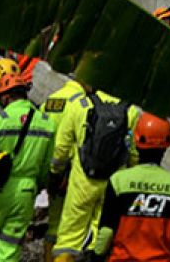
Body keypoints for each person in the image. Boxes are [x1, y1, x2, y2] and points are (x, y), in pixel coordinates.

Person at [0, 72, 55, 262]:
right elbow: (46, 165)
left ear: (5, 96)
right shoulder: (46, 122)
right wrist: (37, 186)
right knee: (9, 249)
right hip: (26, 192)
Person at [49, 87, 139, 262]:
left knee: (69, 238)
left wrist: (55, 172)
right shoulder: (131, 111)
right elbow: (134, 154)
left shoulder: (81, 105)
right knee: (102, 235)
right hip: (114, 184)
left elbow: (61, 147)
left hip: (82, 182)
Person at [94, 113, 170, 262]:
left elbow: (106, 232)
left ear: (136, 142)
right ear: (167, 143)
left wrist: (96, 257)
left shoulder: (119, 181)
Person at [39, 76, 88, 262]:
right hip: (68, 171)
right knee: (67, 227)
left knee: (53, 223)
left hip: (49, 169)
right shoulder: (80, 104)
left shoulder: (51, 99)